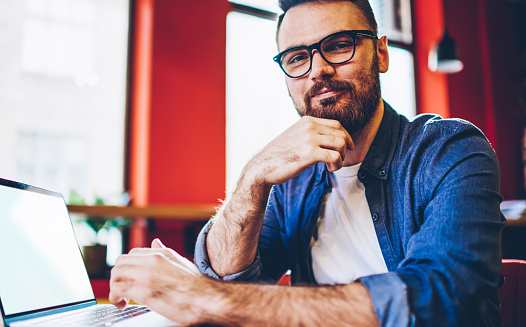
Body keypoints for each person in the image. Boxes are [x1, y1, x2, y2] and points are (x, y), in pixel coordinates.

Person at [109, 0, 506, 326]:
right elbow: (232, 276)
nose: (318, 70)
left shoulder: (449, 150)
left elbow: (442, 299)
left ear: (381, 53)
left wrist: (206, 297)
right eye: (298, 57)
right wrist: (254, 177)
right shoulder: (293, 179)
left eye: (338, 45)